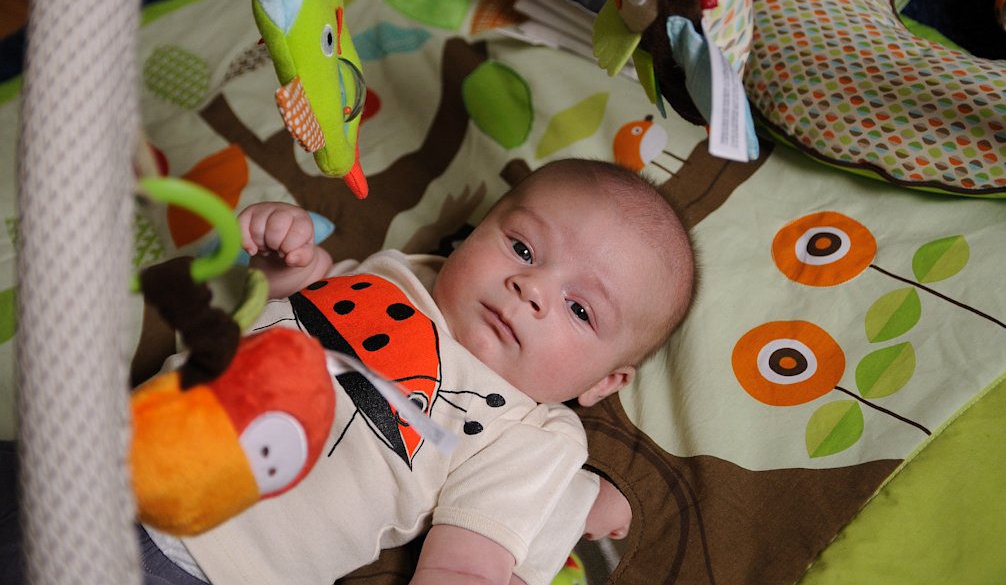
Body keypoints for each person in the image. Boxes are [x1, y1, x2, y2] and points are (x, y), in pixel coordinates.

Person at [3, 158, 695, 585]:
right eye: (521, 247)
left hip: (201, 559)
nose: (532, 287)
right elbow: (299, 316)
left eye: (580, 309)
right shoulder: (402, 275)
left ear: (603, 384)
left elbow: (466, 565)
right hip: (91, 453)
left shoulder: (531, 436)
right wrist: (288, 266)